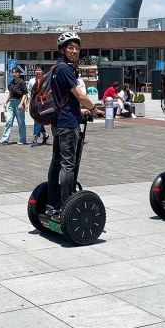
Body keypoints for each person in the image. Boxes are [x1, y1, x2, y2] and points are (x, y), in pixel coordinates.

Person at [46, 32, 103, 222]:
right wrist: (94, 109)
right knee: (67, 165)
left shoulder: (57, 69)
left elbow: (68, 100)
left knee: (56, 162)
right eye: (70, 47)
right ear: (62, 50)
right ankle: (65, 204)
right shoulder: (64, 69)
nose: (74, 50)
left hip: (60, 121)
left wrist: (82, 111)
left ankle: (52, 203)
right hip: (68, 124)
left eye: (77, 48)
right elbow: (80, 96)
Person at [0, 66, 28, 144]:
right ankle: (5, 139)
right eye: (13, 72)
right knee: (8, 121)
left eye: (16, 72)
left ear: (19, 73)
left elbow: (25, 94)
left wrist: (21, 104)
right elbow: (10, 93)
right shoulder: (11, 82)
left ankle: (23, 139)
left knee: (21, 122)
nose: (14, 74)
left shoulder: (22, 82)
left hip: (19, 103)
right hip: (11, 103)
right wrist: (5, 102)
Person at [28, 66, 49, 147]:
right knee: (38, 120)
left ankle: (35, 139)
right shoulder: (32, 81)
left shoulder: (45, 80)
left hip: (43, 103)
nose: (37, 71)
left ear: (42, 72)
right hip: (34, 103)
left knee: (38, 120)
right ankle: (45, 135)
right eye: (36, 69)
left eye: (39, 70)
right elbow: (29, 91)